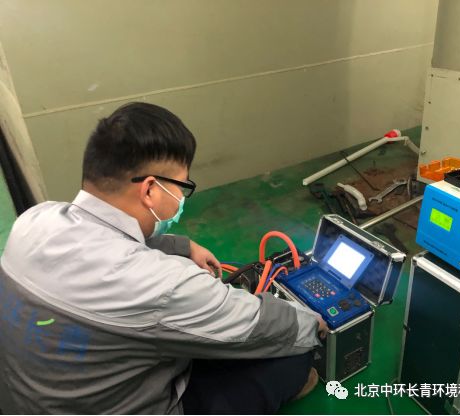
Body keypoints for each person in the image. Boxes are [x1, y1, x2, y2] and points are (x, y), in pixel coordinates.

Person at [0, 102, 328, 414]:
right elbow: (262, 327)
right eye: (182, 187)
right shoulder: (164, 285)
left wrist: (183, 246)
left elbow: (106, 236)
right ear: (150, 190)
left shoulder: (35, 221)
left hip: (24, 401)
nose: (182, 198)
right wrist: (313, 322)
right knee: (292, 359)